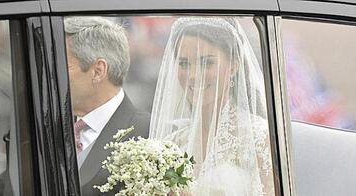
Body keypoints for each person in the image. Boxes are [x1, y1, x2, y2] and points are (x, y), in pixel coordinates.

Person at [150, 17, 274, 195]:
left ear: (233, 66)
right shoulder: (171, 144)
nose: (193, 75)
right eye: (184, 64)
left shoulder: (259, 138)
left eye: (206, 62)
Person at [64, 16, 150, 196]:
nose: (50, 75)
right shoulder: (47, 123)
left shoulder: (148, 136)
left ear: (97, 71)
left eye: (62, 66)